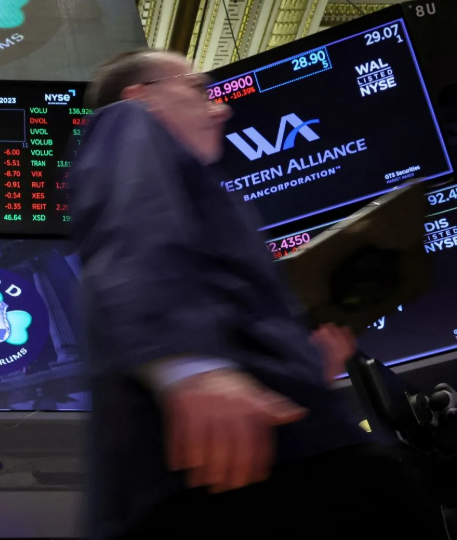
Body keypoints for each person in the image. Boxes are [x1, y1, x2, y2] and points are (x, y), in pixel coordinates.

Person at [71, 49, 446, 539]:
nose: (221, 108)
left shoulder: (205, 192)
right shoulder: (125, 121)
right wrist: (191, 369)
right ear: (143, 97)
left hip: (256, 450)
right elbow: (131, 237)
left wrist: (306, 361)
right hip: (219, 461)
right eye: (198, 88)